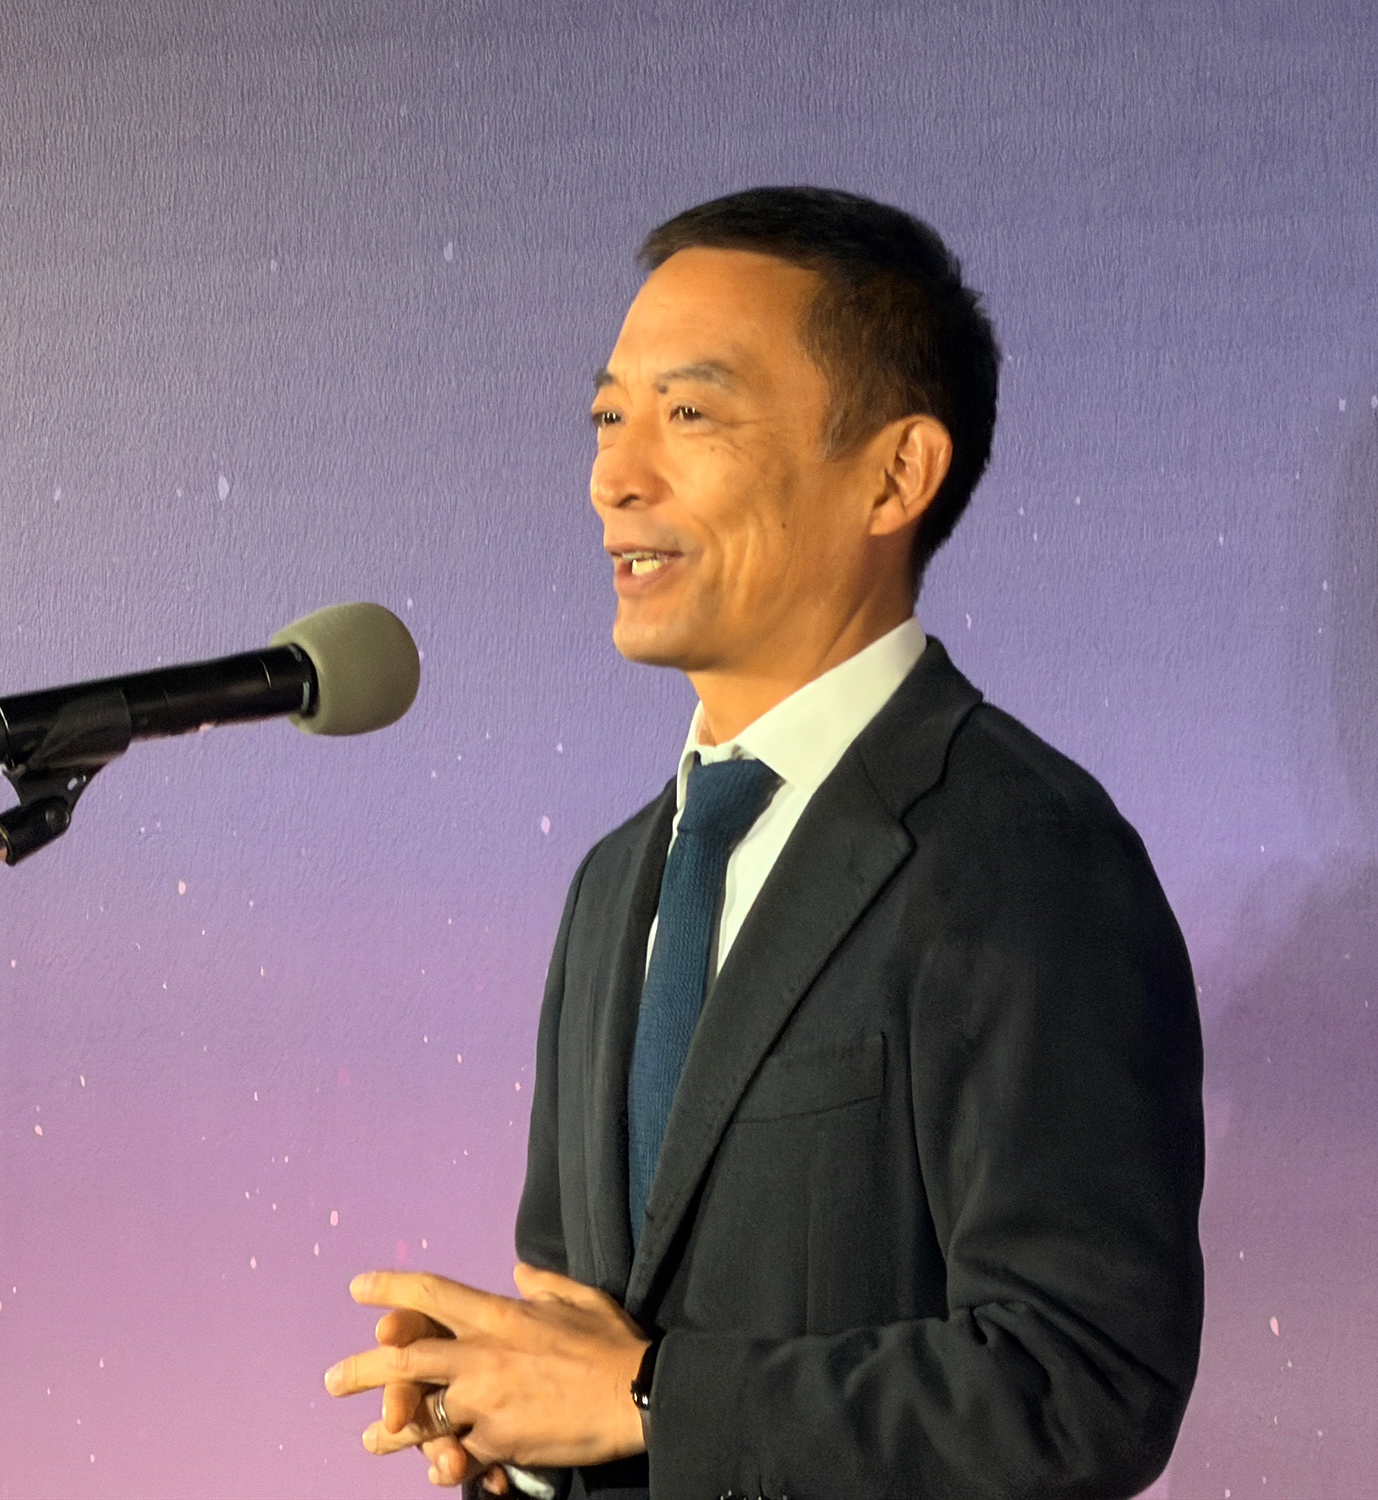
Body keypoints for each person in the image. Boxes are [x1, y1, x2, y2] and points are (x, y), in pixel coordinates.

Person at [325, 186, 1205, 1500]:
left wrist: (643, 1400)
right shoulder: (615, 883)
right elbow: (600, 1350)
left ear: (896, 474)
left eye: (689, 415)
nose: (615, 478)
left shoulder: (1021, 855)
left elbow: (1081, 1386)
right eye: (608, 418)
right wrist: (518, 1421)